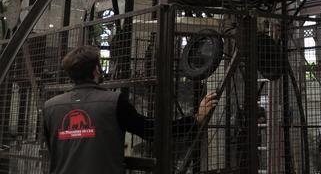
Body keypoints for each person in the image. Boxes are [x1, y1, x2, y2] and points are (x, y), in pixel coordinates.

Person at [42, 45, 218, 174]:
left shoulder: (50, 107)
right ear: (96, 69)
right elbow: (151, 130)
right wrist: (195, 119)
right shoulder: (113, 102)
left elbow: (54, 149)